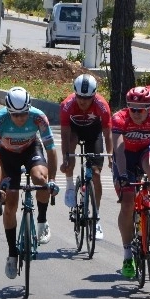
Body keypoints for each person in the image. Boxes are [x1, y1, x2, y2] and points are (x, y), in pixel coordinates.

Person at [0, 87, 58, 279]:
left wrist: (52, 180)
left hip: (31, 150)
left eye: (24, 113)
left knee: (40, 180)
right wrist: (0, 182)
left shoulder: (38, 117)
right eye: (16, 115)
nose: (21, 118)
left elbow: (51, 150)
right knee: (10, 204)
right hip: (7, 156)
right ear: (8, 111)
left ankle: (42, 221)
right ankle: (12, 253)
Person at [112, 86, 150, 280]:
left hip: (146, 152)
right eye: (132, 109)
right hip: (125, 158)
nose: (136, 113)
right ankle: (128, 255)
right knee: (128, 203)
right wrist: (121, 176)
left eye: (141, 109)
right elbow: (119, 151)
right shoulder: (120, 118)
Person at [59, 74, 113, 240]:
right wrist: (66, 157)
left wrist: (110, 155)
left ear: (94, 95)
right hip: (74, 130)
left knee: (96, 174)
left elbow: (107, 133)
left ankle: (96, 218)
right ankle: (69, 186)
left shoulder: (102, 106)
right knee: (71, 146)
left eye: (87, 98)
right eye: (80, 97)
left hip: (93, 133)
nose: (83, 101)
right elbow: (65, 134)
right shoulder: (67, 105)